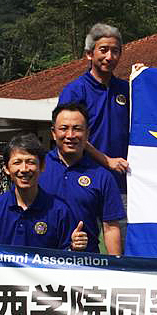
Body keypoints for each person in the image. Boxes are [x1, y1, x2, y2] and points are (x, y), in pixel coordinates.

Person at [0, 134, 87, 252]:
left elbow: (67, 259)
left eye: (30, 162)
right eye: (17, 162)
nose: (24, 169)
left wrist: (74, 247)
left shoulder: (59, 211)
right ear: (7, 169)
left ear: (42, 166)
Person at [40, 103, 126, 256]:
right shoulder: (37, 169)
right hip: (41, 264)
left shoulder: (102, 176)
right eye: (64, 128)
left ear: (87, 134)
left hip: (87, 265)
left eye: (77, 129)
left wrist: (116, 268)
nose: (70, 135)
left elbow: (111, 228)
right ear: (53, 133)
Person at [58, 23, 129, 196]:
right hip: (84, 180)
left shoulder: (127, 89)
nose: (109, 57)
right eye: (103, 50)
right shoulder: (74, 91)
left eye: (115, 51)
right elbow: (70, 136)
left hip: (122, 183)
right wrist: (106, 161)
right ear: (89, 54)